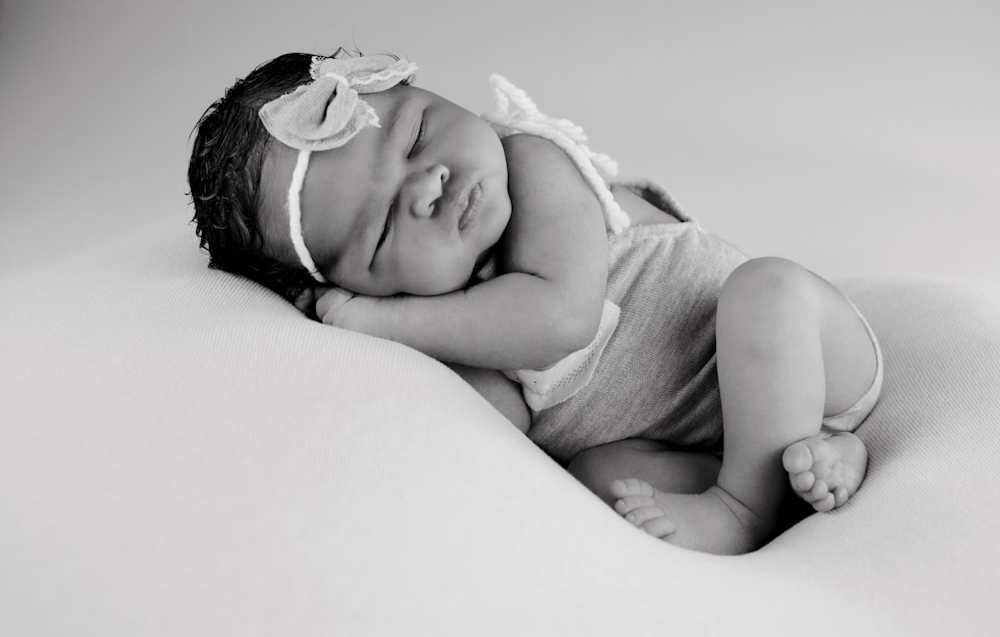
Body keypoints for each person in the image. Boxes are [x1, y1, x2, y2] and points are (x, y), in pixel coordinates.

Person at [187, 49, 883, 555]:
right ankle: (801, 464)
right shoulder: (448, 321)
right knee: (596, 482)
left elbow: (560, 320)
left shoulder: (532, 164)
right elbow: (506, 427)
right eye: (384, 230)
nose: (428, 185)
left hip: (813, 359)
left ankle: (745, 507)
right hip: (696, 441)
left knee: (767, 291)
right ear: (357, 281)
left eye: (417, 136)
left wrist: (381, 320)